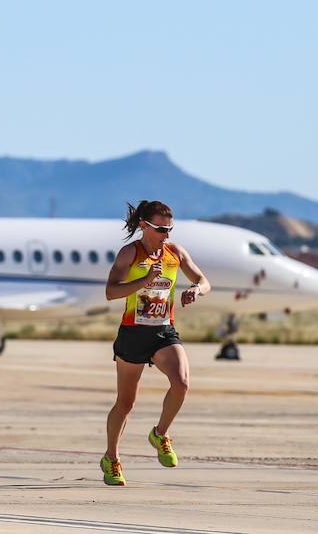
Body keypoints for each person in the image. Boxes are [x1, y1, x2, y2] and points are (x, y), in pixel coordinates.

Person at [99, 200, 210, 486]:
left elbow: (203, 279)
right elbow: (111, 292)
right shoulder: (130, 253)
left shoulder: (175, 253)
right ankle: (111, 458)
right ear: (144, 226)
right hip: (133, 333)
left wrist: (196, 290)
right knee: (125, 404)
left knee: (182, 383)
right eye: (161, 229)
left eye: (170, 228)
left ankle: (160, 434)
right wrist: (144, 280)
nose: (167, 235)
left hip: (163, 331)